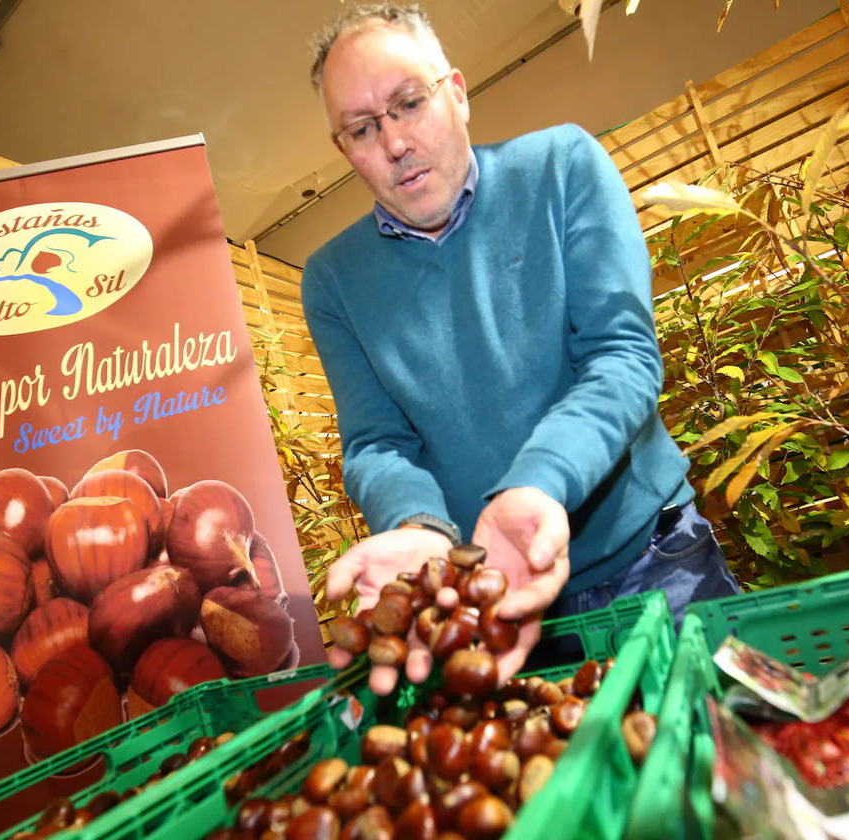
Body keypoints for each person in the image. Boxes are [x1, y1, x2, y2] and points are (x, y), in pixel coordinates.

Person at [302, 3, 740, 695]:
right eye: (362, 129)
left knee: (732, 751)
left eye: (409, 104)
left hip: (653, 563)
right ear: (344, 149)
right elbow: (377, 443)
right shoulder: (332, 281)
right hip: (493, 609)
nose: (394, 144)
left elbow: (621, 355)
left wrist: (538, 482)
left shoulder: (563, 166)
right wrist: (422, 530)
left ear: (457, 91)